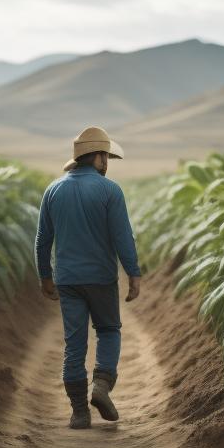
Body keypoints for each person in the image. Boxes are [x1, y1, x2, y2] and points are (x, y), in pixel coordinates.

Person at [34, 126, 142, 429]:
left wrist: (45, 276)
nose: (107, 162)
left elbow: (42, 239)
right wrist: (133, 273)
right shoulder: (110, 190)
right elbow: (123, 237)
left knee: (74, 343)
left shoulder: (53, 190)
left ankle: (79, 412)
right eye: (105, 156)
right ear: (96, 157)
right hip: (102, 278)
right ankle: (102, 386)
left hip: (68, 280)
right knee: (108, 330)